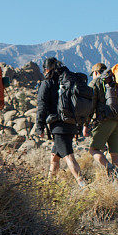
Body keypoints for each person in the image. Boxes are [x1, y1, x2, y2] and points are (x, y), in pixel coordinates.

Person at [35, 57, 88, 186]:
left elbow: (42, 106)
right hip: (71, 122)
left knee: (69, 156)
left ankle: (83, 184)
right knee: (54, 156)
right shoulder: (66, 80)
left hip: (58, 126)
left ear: (46, 69)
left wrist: (39, 126)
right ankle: (50, 184)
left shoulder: (47, 83)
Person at [88, 62, 118, 177]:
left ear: (96, 72)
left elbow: (91, 104)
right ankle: (116, 181)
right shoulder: (116, 80)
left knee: (93, 149)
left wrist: (86, 123)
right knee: (115, 154)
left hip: (104, 120)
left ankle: (109, 167)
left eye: (93, 74)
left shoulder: (96, 82)